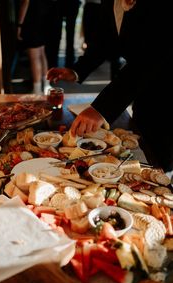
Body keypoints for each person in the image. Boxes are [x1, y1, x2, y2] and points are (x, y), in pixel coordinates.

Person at [47, 0, 173, 174]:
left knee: (163, 155)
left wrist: (100, 109)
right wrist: (77, 70)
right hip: (139, 88)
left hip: (167, 86)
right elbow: (102, 41)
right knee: (144, 142)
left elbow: (148, 59)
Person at [17, 0, 51, 94]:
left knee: (34, 57)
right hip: (43, 17)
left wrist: (19, 25)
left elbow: (25, 2)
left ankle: (37, 89)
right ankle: (46, 85)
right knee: (42, 53)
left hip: (32, 19)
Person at [45, 0, 81, 68]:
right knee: (63, 34)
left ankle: (55, 63)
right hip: (68, 4)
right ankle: (68, 63)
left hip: (62, 4)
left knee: (58, 34)